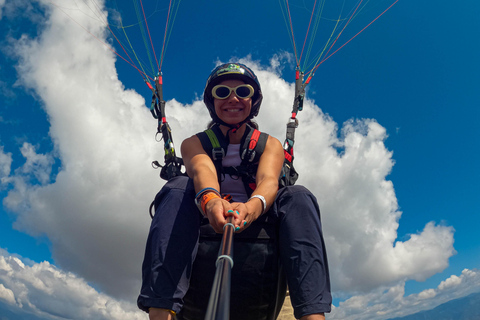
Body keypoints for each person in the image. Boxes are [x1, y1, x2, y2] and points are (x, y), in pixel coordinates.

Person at [138, 63, 332, 320]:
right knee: (177, 188)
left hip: (258, 215)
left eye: (243, 91)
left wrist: (250, 208)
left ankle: (313, 316)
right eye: (222, 92)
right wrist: (210, 201)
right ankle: (161, 312)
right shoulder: (194, 143)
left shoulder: (270, 144)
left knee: (298, 196)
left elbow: (268, 180)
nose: (233, 98)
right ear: (211, 101)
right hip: (205, 215)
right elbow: (201, 169)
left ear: (254, 100)